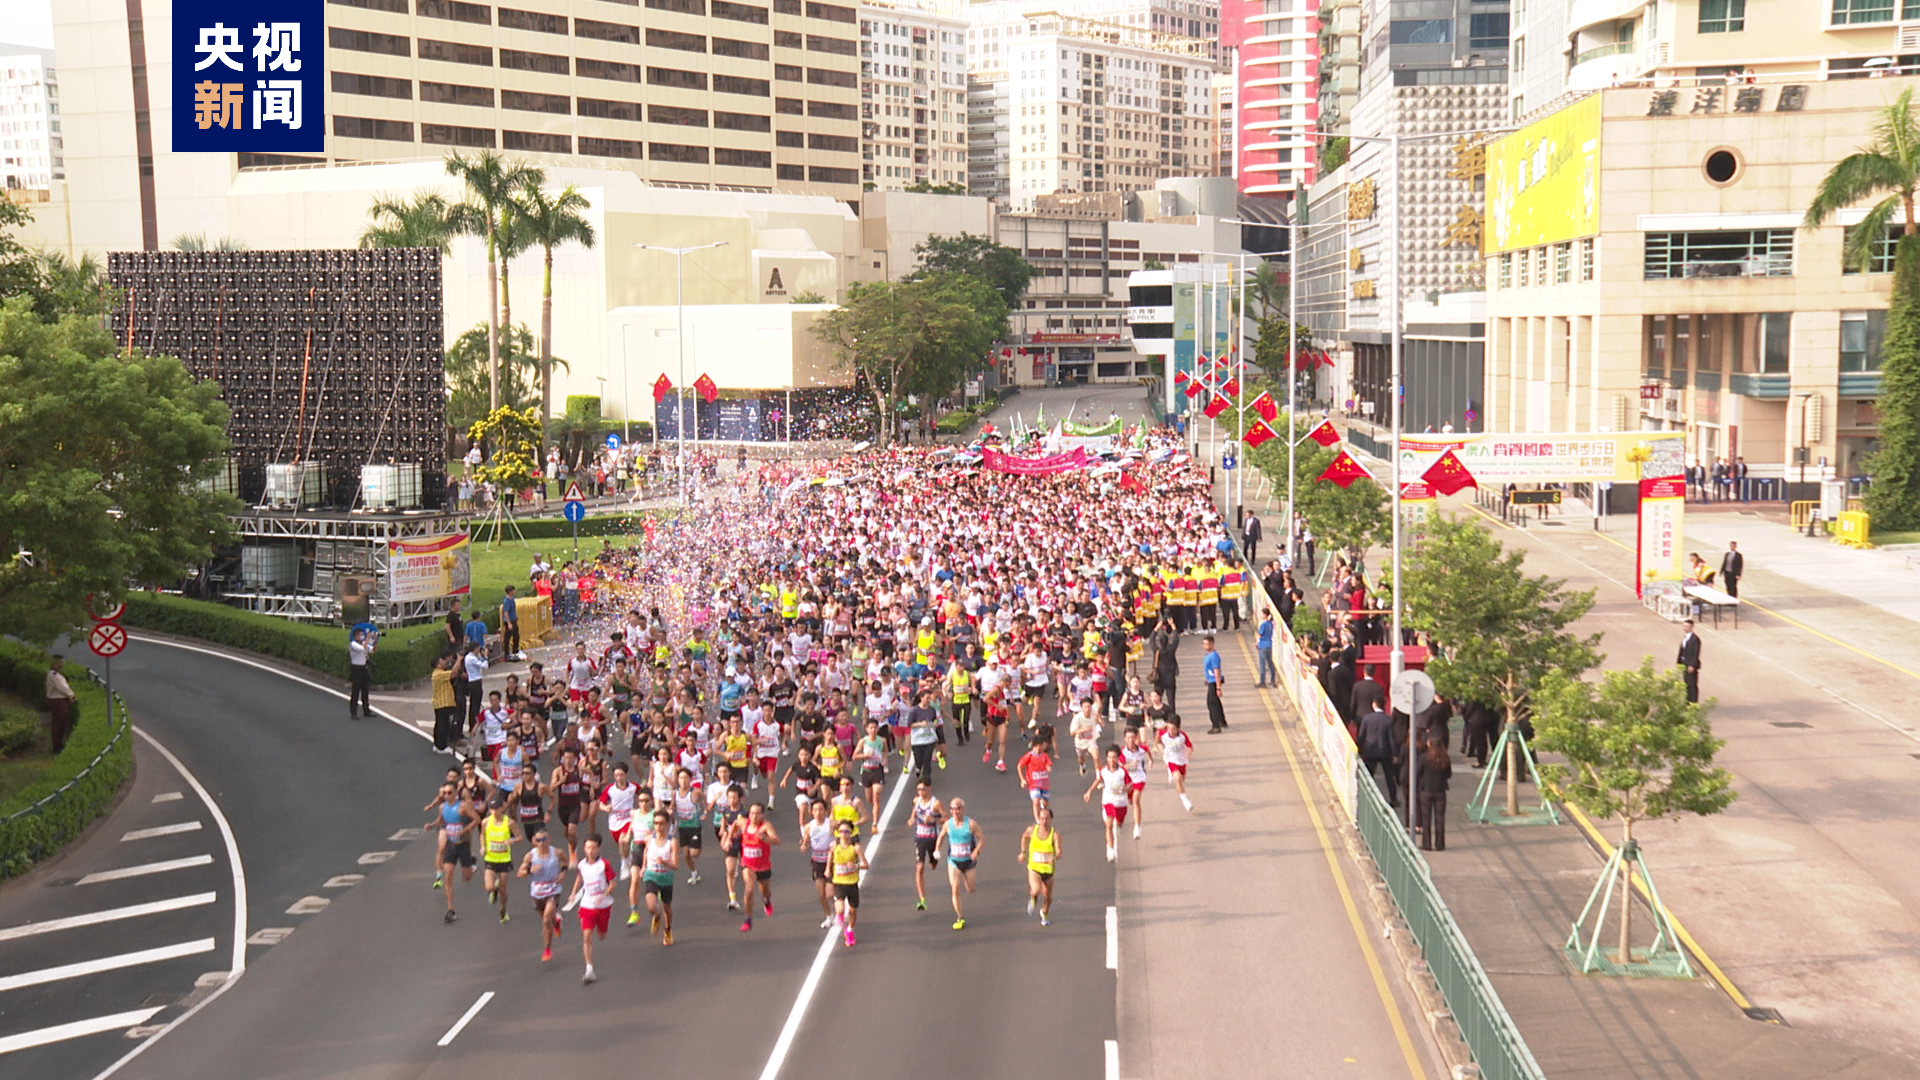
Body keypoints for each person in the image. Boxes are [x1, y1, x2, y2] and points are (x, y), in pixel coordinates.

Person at [567, 834, 615, 984]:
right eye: (588, 848)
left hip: (603, 905)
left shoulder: (604, 864)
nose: (590, 851)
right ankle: (589, 969)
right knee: (587, 936)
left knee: (602, 934)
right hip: (587, 904)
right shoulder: (582, 864)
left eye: (593, 848)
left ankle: (602, 930)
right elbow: (580, 877)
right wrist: (574, 893)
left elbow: (613, 883)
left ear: (598, 848)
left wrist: (605, 894)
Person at [517, 825, 565, 962]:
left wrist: (563, 873)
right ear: (534, 841)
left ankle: (547, 949)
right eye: (539, 840)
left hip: (553, 889)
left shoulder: (557, 852)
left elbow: (565, 862)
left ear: (549, 839)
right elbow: (519, 873)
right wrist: (530, 871)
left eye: (544, 839)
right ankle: (556, 922)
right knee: (546, 919)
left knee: (545, 919)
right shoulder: (531, 856)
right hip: (537, 892)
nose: (542, 843)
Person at [735, 802, 780, 932]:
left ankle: (767, 901)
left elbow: (777, 840)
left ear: (762, 815)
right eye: (751, 813)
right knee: (749, 890)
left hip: (763, 866)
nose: (754, 816)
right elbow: (735, 824)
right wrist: (728, 838)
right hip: (747, 865)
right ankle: (748, 919)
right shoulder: (744, 823)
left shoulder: (766, 826)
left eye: (757, 813)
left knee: (765, 891)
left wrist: (766, 838)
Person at [1084, 745, 1131, 862]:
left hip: (1121, 802)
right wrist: (1089, 791)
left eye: (1114, 757)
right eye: (1109, 757)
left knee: (1118, 824)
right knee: (1109, 825)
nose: (1111, 760)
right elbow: (1098, 780)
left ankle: (1118, 827)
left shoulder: (1122, 772)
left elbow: (1130, 785)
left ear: (1118, 758)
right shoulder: (1104, 771)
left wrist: (1125, 789)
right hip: (1108, 801)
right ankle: (1110, 850)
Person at [941, 797, 981, 931]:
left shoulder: (971, 824)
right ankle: (960, 917)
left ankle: (966, 879)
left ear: (962, 809)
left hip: (969, 862)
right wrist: (936, 849)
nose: (955, 811)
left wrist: (976, 850)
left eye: (958, 808)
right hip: (954, 861)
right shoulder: (948, 825)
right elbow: (941, 837)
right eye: (952, 809)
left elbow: (981, 838)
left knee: (971, 889)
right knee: (955, 889)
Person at [1019, 803, 1060, 926]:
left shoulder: (1055, 834)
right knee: (1036, 890)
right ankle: (1033, 898)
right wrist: (1023, 852)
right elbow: (1024, 837)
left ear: (1051, 819)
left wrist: (1057, 854)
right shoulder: (1032, 830)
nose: (1044, 821)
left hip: (1048, 870)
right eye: (1041, 818)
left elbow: (1058, 849)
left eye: (1046, 818)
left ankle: (1044, 913)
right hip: (1034, 868)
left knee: (1048, 896)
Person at [829, 821, 868, 947]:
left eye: (846, 832)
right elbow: (830, 859)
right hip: (839, 882)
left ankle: (850, 929)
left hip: (852, 882)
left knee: (853, 910)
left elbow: (866, 864)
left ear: (850, 834)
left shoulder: (855, 848)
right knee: (840, 909)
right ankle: (840, 916)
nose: (843, 834)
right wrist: (827, 869)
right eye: (841, 831)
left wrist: (855, 866)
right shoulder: (835, 846)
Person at [909, 778, 946, 912]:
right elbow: (914, 811)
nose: (921, 792)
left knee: (933, 864)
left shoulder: (936, 803)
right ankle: (922, 899)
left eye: (923, 789)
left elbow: (946, 819)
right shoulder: (916, 800)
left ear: (929, 788)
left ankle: (934, 860)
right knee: (919, 868)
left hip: (932, 838)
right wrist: (912, 818)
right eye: (919, 789)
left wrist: (934, 819)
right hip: (920, 838)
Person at [481, 798, 516, 923]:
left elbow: (520, 836)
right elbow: (482, 835)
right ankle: (493, 890)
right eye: (492, 809)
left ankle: (503, 909)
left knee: (503, 890)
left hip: (504, 860)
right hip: (490, 858)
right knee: (489, 887)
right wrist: (483, 846)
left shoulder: (509, 823)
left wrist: (512, 840)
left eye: (496, 808)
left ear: (502, 808)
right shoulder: (485, 822)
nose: (494, 811)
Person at [1415, 735, 1452, 852]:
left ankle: (1427, 844)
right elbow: (1448, 774)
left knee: (1426, 818)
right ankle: (1440, 844)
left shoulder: (1424, 758)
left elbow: (1417, 772)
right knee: (1440, 818)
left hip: (1426, 790)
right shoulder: (1445, 758)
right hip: (1440, 790)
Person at [1358, 704, 1397, 805]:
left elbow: (1361, 736)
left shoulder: (1367, 718)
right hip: (1385, 752)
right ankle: (1393, 798)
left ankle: (1366, 797)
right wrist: (1395, 754)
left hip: (1370, 751)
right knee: (1389, 777)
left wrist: (1360, 750)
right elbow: (1392, 739)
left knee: (1369, 776)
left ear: (1373, 705)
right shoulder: (1388, 720)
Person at [1159, 714, 1194, 812]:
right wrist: (1159, 747)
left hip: (1182, 761)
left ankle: (1171, 774)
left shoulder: (1182, 736)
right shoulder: (1163, 733)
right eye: (1168, 728)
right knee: (1177, 778)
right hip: (1171, 759)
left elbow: (1190, 747)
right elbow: (1157, 740)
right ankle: (1185, 800)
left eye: (1173, 729)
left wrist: (1188, 754)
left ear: (1178, 728)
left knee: (1181, 781)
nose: (1170, 731)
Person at [44, 655, 76, 755]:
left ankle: (59, 744)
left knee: (61, 723)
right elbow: (62, 687)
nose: (63, 663)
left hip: (59, 700)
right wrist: (71, 695)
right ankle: (57, 746)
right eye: (61, 662)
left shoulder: (56, 674)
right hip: (58, 701)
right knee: (59, 723)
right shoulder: (54, 675)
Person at [1201, 635, 1227, 734]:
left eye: (1207, 644)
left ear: (1212, 644)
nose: (1205, 646)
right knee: (1216, 702)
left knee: (1211, 703)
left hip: (1214, 682)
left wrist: (1218, 687)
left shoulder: (1214, 656)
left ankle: (1216, 725)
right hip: (1211, 680)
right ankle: (1221, 720)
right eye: (1204, 644)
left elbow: (1217, 671)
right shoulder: (1208, 655)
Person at [348, 629, 373, 719]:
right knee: (355, 691)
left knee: (365, 690)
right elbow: (362, 649)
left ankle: (366, 710)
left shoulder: (364, 643)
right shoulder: (353, 644)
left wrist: (375, 640)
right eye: (360, 635)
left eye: (363, 635)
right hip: (356, 669)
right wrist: (368, 638)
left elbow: (373, 650)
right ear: (356, 636)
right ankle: (353, 712)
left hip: (364, 668)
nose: (362, 636)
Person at [1677, 619, 1702, 704]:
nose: (1685, 628)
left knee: (1692, 684)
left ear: (1692, 627)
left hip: (1690, 664)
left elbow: (1696, 653)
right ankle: (1687, 700)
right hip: (1684, 663)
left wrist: (1692, 665)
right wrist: (1678, 662)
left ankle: (1693, 701)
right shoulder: (1685, 637)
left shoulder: (1695, 639)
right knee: (1686, 683)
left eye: (1687, 626)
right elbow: (1681, 650)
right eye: (1684, 626)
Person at [501, 585, 524, 661]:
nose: (515, 591)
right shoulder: (507, 601)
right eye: (513, 590)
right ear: (510, 591)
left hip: (514, 619)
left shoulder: (512, 599)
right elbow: (506, 612)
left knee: (516, 635)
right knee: (507, 637)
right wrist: (509, 623)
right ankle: (506, 653)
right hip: (509, 621)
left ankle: (515, 650)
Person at [1254, 611, 1277, 688]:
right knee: (1270, 663)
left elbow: (1260, 635)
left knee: (1262, 664)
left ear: (1265, 615)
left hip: (1263, 645)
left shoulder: (1263, 625)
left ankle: (1262, 681)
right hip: (1269, 645)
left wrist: (1257, 643)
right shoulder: (1271, 624)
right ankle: (1273, 680)